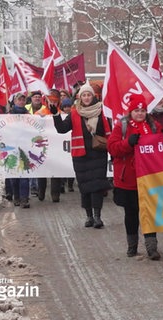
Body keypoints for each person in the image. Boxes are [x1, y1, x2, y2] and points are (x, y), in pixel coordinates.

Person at [107, 94, 163, 260]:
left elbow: (162, 144)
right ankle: (132, 246)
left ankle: (152, 247)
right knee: (131, 213)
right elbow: (112, 148)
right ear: (131, 112)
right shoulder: (121, 126)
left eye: (142, 110)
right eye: (136, 110)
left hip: (149, 178)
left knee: (150, 212)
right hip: (128, 178)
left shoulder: (152, 125)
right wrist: (128, 143)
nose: (139, 113)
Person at [51, 82, 111, 229]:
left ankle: (97, 217)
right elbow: (62, 129)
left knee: (97, 187)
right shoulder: (74, 113)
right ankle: (89, 216)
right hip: (81, 156)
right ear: (79, 97)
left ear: (93, 96)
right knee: (84, 187)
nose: (86, 97)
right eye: (83, 95)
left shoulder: (102, 111)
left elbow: (109, 131)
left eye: (88, 94)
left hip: (98, 154)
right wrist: (56, 114)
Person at [35, 89, 63, 202]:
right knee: (42, 169)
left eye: (55, 101)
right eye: (50, 100)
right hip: (43, 146)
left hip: (57, 146)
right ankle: (41, 191)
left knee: (56, 170)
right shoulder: (39, 114)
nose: (53, 103)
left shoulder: (61, 113)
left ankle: (55, 194)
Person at [8, 92, 31, 209]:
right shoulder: (8, 115)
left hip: (25, 147)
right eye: (19, 100)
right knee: (14, 176)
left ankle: (24, 198)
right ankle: (16, 196)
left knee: (24, 174)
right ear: (15, 101)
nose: (21, 102)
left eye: (23, 100)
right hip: (12, 148)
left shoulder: (29, 115)